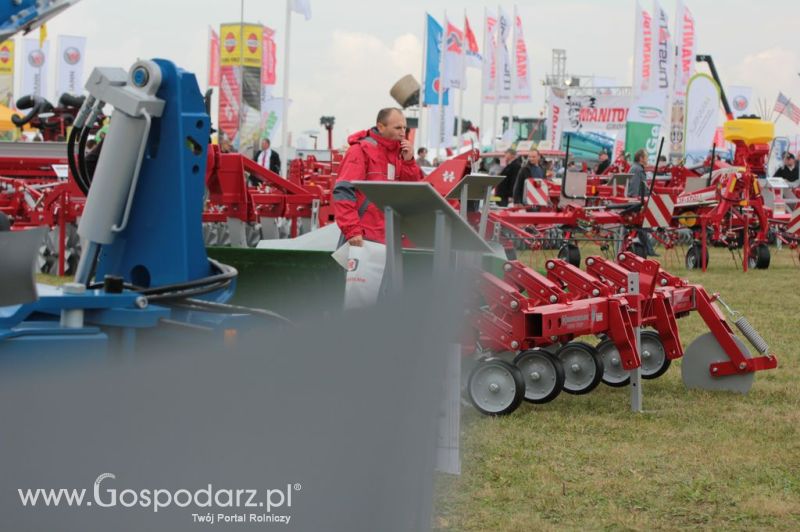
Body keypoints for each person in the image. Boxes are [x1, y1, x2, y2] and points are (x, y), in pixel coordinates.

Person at [333, 107, 423, 246]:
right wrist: (352, 230)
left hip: (392, 237)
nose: (402, 132)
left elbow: (411, 192)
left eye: (404, 128)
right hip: (364, 237)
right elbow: (344, 192)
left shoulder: (401, 154)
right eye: (397, 128)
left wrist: (408, 162)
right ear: (381, 127)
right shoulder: (360, 150)